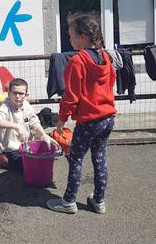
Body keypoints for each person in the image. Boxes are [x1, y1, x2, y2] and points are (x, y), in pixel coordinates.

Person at [47, 12, 117, 215]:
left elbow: (71, 96)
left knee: (75, 158)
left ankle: (69, 201)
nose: (69, 40)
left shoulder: (77, 61)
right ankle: (99, 200)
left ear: (83, 36)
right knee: (99, 157)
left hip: (89, 120)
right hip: (107, 117)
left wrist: (61, 120)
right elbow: (110, 82)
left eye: (71, 35)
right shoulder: (105, 56)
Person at [0, 78, 57, 170]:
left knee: (41, 162)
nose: (17, 96)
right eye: (14, 93)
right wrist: (17, 126)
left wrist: (43, 135)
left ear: (26, 95)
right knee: (27, 167)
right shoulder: (5, 106)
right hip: (12, 147)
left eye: (21, 93)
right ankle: (4, 158)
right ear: (9, 93)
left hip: (27, 145)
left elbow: (34, 122)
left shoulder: (27, 105)